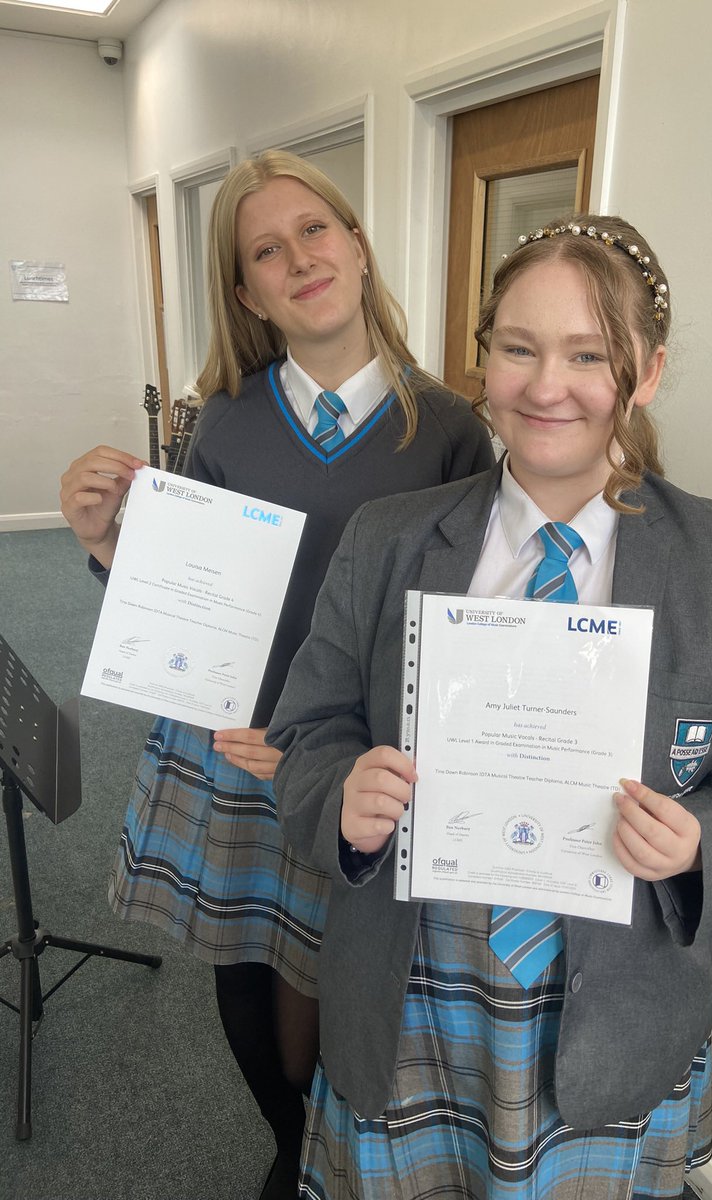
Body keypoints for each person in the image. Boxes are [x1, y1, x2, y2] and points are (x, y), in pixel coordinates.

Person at [268, 215, 712, 1199]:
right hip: (415, 992)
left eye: (588, 354)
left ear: (644, 371)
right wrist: (338, 791)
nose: (546, 385)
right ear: (483, 359)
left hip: (617, 1008)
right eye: (517, 348)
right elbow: (308, 730)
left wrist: (699, 845)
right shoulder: (388, 538)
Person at [59, 150, 493, 1200]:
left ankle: (325, 1148)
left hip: (354, 767)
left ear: (355, 244)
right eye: (267, 249)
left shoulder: (447, 430)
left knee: (339, 980)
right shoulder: (228, 423)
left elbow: (468, 629)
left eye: (316, 230)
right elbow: (182, 606)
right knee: (248, 975)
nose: (299, 258)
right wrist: (109, 548)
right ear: (247, 291)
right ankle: (288, 1146)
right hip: (231, 748)